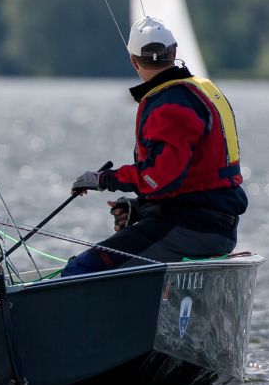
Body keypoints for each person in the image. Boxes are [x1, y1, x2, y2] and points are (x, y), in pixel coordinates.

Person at [61, 16, 248, 277]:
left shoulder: (169, 105)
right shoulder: (203, 90)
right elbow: (188, 180)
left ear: (133, 61)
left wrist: (104, 179)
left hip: (192, 228)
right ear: (174, 52)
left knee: (80, 270)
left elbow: (158, 178)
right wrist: (140, 208)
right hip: (212, 227)